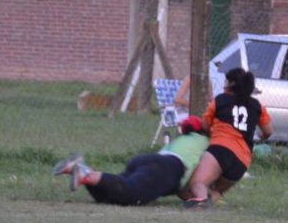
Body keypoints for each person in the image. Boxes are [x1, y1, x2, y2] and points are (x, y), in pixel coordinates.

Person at [52, 116, 210, 205]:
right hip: (166, 168)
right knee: (131, 195)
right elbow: (198, 177)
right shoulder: (206, 143)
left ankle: (82, 171)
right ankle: (85, 174)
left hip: (146, 160)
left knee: (109, 197)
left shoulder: (184, 139)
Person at [185, 67, 273, 209]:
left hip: (221, 149)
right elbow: (268, 131)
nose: (223, 84)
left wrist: (210, 135)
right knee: (218, 190)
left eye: (225, 81)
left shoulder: (220, 100)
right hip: (242, 160)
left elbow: (205, 125)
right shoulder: (258, 106)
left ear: (231, 84)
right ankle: (206, 204)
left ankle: (200, 200)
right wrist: (261, 137)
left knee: (198, 183)